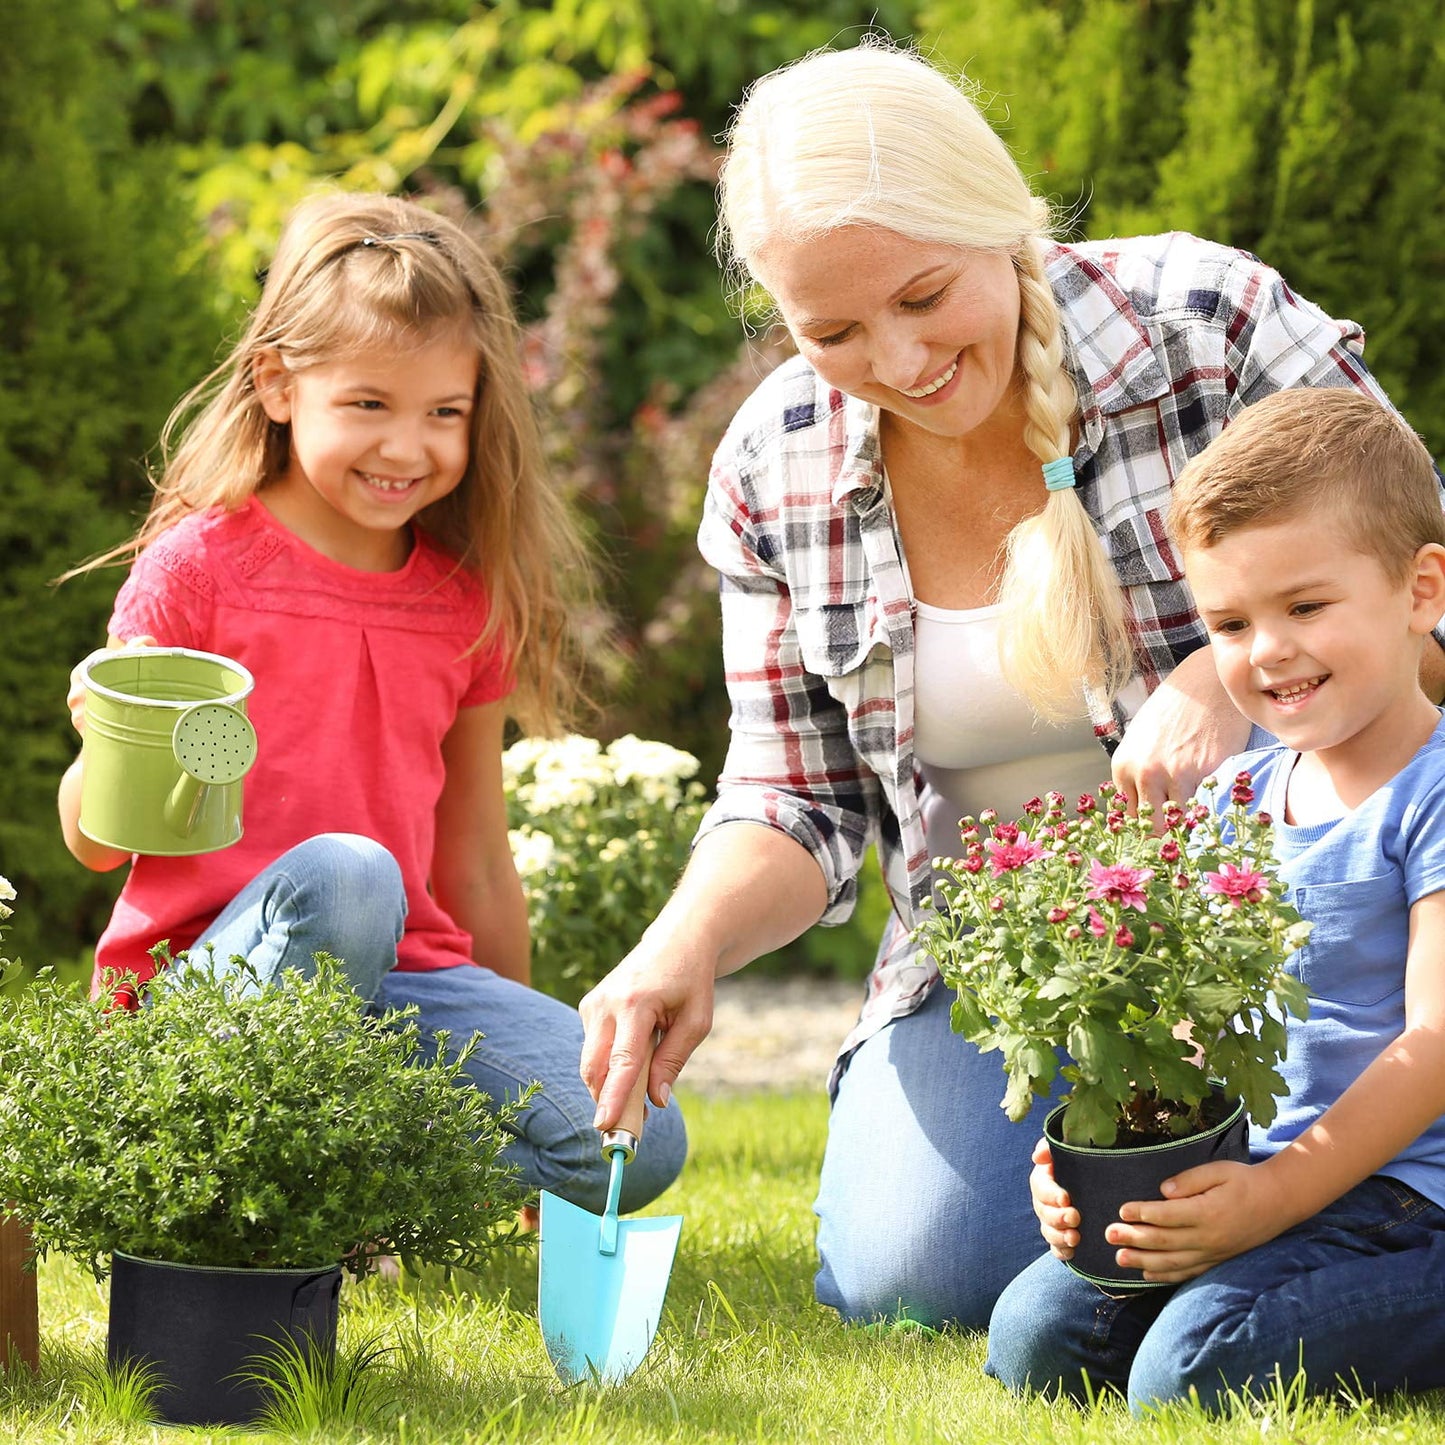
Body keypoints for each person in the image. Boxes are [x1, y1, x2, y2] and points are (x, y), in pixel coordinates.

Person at [577, 38, 1445, 1329]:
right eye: (833, 330)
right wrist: (681, 944)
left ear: (999, 219)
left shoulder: (1205, 330)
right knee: (921, 1281)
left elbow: (1417, 587)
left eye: (925, 294)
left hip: (1290, 929)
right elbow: (793, 793)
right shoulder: (775, 463)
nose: (898, 355)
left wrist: (1223, 673)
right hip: (1002, 958)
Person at [58, 190, 685, 1217]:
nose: (408, 447)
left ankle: (334, 1182)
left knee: (633, 1141)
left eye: (444, 412)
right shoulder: (200, 571)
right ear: (277, 384)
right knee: (351, 875)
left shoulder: (460, 604)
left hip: (401, 985)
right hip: (208, 985)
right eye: (368, 405)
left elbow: (477, 859)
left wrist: (533, 1085)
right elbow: (91, 842)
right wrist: (109, 738)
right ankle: (202, 1136)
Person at [988, 387, 1445, 1410]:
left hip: (1409, 1197)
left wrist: (1272, 1198)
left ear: (1420, 590)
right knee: (1035, 1339)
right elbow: (1192, 1035)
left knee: (1194, 1369)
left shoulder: (1432, 790)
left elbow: (1433, 1041)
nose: (1265, 650)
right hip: (1256, 1174)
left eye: (1304, 606)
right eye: (1228, 621)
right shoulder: (1236, 797)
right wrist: (1101, 1157)